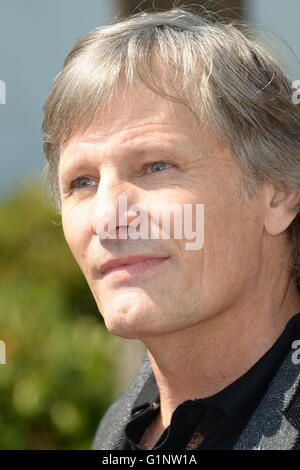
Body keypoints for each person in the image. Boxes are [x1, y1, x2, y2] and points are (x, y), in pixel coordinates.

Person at [42, 6, 300, 450]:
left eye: (156, 166)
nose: (108, 217)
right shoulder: (118, 429)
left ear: (278, 192)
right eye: (82, 182)